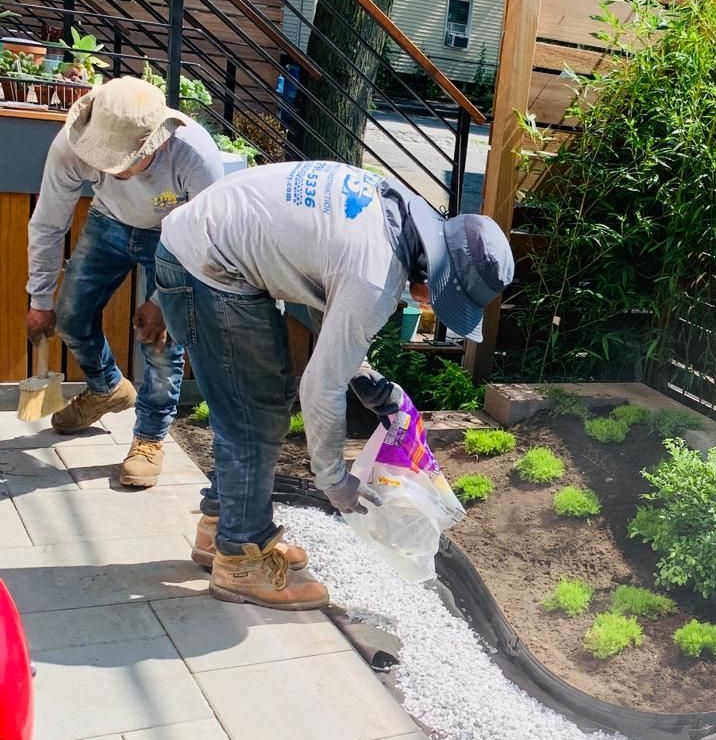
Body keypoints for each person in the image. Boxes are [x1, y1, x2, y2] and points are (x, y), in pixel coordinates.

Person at [155, 160, 514, 611]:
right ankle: (241, 557)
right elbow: (320, 387)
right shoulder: (375, 276)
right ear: (432, 275)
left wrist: (366, 380)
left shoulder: (392, 210)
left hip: (209, 245)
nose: (434, 307)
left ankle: (220, 526)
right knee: (254, 416)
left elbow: (332, 294)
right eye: (443, 298)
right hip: (207, 266)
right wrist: (334, 480)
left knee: (261, 402)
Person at [25, 76, 226, 487]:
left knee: (161, 341)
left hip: (176, 236)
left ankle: (149, 437)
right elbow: (47, 224)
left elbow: (207, 237)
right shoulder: (71, 144)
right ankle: (107, 388)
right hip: (109, 223)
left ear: (156, 143)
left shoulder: (193, 154)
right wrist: (40, 298)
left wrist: (161, 299)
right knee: (70, 318)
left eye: (120, 161)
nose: (107, 168)